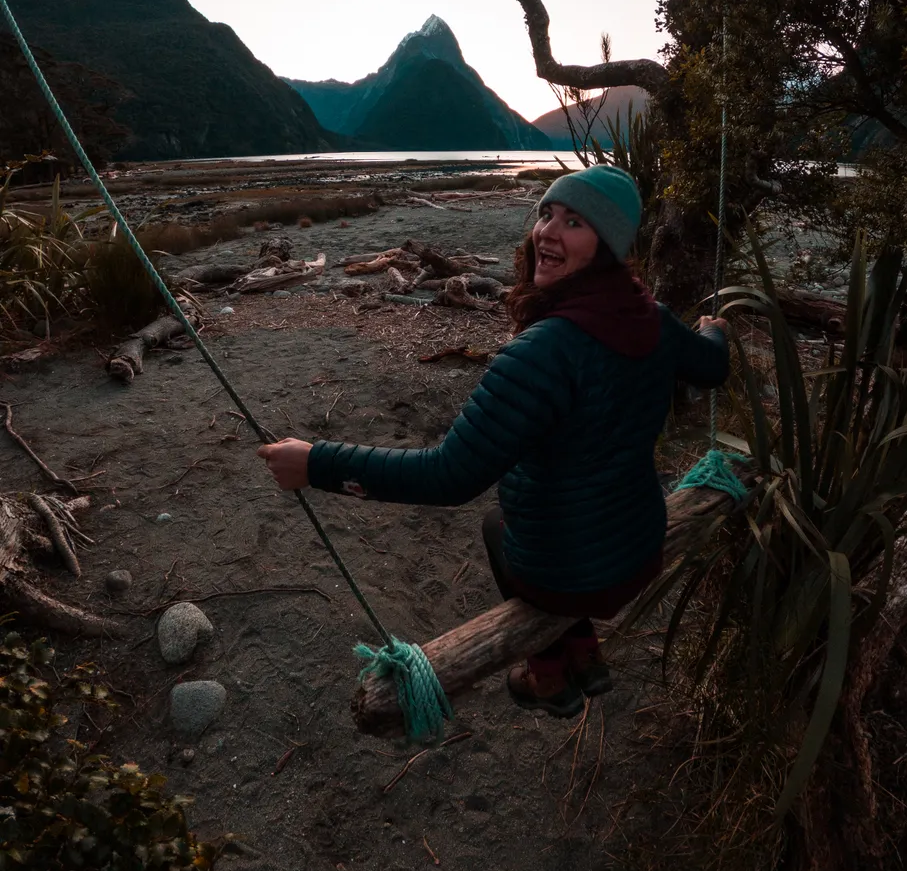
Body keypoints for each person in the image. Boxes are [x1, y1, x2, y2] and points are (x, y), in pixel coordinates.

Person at [258, 166, 729, 718]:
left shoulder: (542, 353)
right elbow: (713, 366)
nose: (547, 232)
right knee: (532, 519)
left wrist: (316, 463)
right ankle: (582, 650)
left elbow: (448, 477)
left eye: (574, 221)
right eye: (547, 214)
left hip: (577, 577)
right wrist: (713, 327)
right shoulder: (654, 319)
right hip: (639, 550)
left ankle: (548, 674)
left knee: (497, 526)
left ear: (607, 245)